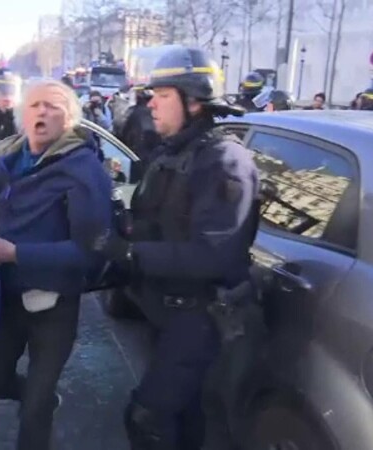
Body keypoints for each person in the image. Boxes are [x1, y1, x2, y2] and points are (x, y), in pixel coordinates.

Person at [90, 46, 259, 449]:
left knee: (148, 417)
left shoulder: (223, 161)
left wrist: (131, 255)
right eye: (151, 96)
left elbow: (214, 254)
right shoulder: (175, 153)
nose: (151, 106)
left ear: (194, 102)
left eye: (162, 96)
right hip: (167, 311)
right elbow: (161, 222)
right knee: (186, 419)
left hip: (198, 318)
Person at [0, 79, 112, 449]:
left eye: (53, 106)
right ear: (22, 115)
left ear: (70, 119)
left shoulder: (83, 169)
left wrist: (15, 253)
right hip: (5, 295)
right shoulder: (5, 160)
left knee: (35, 407)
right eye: (34, 106)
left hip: (54, 303)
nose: (42, 112)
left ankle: (41, 405)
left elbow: (91, 250)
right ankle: (38, 398)